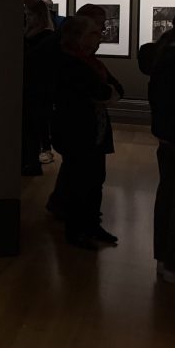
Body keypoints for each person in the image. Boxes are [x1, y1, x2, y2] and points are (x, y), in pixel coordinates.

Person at [51, 16, 122, 250]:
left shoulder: (91, 62)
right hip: (77, 131)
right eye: (93, 33)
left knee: (95, 180)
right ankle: (76, 230)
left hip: (95, 131)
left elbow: (117, 89)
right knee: (78, 181)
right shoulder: (69, 62)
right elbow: (101, 91)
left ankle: (91, 225)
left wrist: (106, 92)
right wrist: (106, 92)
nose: (99, 36)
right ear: (78, 36)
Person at [145, 10, 175, 283]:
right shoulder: (174, 60)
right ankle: (173, 263)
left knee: (170, 196)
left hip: (169, 138)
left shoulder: (163, 54)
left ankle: (167, 260)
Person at [22, 2, 57, 175]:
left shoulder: (47, 37)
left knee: (35, 125)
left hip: (39, 88)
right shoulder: (32, 35)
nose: (28, 18)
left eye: (30, 15)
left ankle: (34, 161)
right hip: (31, 86)